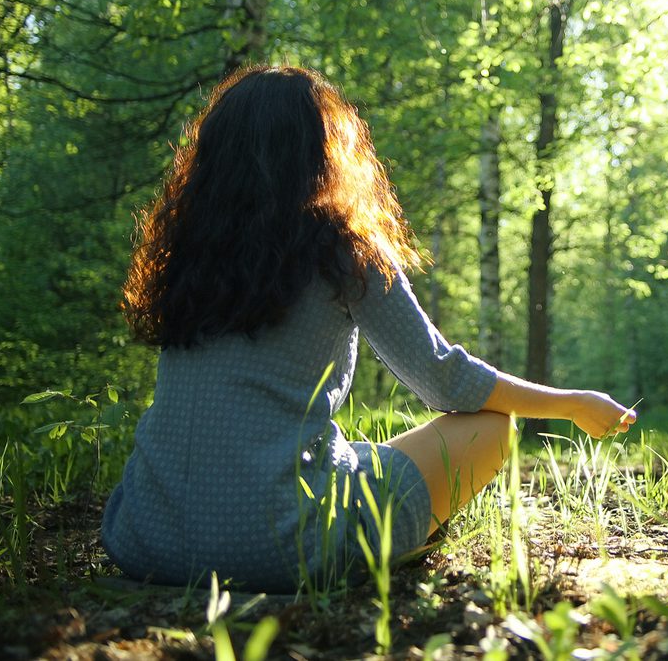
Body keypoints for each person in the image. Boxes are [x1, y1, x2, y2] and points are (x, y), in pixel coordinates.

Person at [102, 65, 636, 592]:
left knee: (350, 454)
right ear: (324, 151)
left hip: (144, 537)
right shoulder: (342, 251)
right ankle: (390, 546)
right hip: (282, 552)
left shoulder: (186, 254)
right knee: (492, 428)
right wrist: (572, 403)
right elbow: (446, 382)